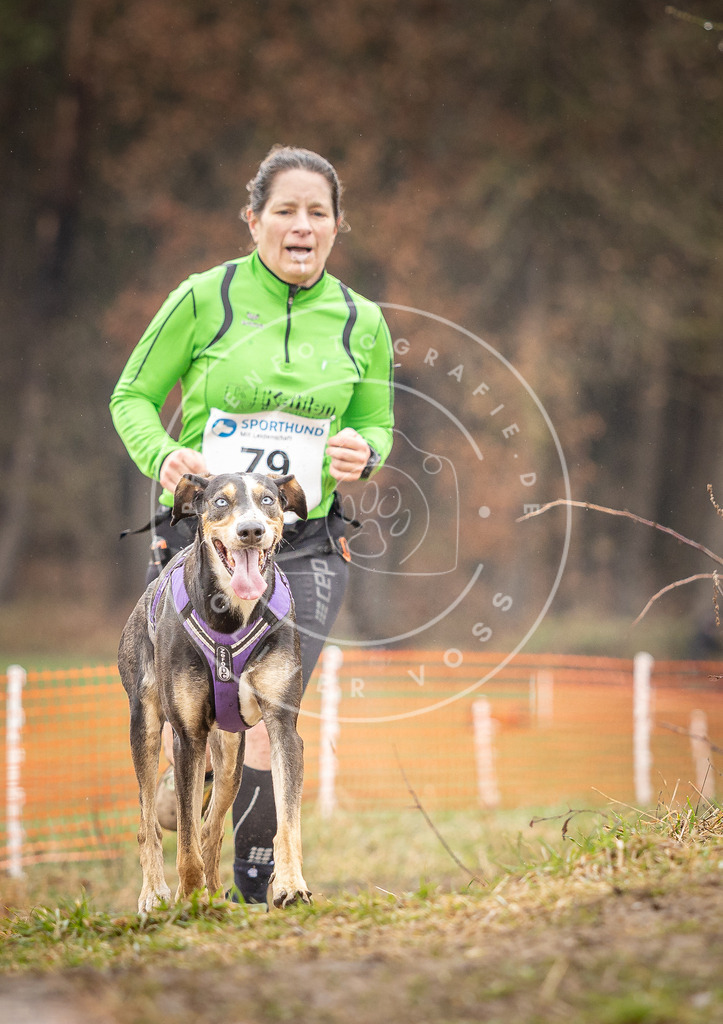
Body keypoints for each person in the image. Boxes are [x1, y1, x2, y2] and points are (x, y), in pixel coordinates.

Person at [111, 145, 395, 904]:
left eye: (318, 213)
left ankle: (258, 878)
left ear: (338, 226)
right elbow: (131, 398)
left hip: (303, 540)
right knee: (191, 709)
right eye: (285, 211)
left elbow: (377, 425)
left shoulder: (362, 321)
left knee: (269, 709)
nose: (301, 227)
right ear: (253, 221)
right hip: (203, 533)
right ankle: (189, 776)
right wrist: (165, 454)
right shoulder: (205, 298)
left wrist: (363, 452)